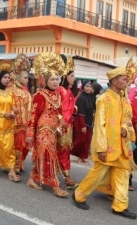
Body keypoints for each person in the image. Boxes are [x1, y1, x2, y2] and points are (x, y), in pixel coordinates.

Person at [72, 62, 137, 220]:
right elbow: (99, 125)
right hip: (107, 146)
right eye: (123, 79)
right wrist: (101, 148)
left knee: (122, 174)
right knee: (97, 174)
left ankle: (120, 206)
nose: (126, 82)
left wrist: (126, 129)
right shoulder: (103, 99)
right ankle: (79, 194)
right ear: (114, 81)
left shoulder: (124, 100)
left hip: (122, 145)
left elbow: (129, 121)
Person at [25, 52, 69, 197]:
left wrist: (62, 125)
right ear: (45, 80)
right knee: (49, 156)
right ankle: (55, 186)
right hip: (42, 131)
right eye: (52, 79)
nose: (55, 82)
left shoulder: (57, 95)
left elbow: (60, 112)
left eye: (57, 79)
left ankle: (32, 179)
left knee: (43, 156)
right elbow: (33, 116)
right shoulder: (39, 95)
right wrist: (30, 134)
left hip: (53, 130)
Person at [56, 55, 78, 189]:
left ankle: (66, 176)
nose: (74, 79)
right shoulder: (61, 90)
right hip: (60, 125)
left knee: (64, 151)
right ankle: (66, 177)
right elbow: (59, 109)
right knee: (60, 151)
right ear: (65, 76)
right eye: (72, 76)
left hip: (67, 125)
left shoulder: (68, 90)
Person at [11, 55, 32, 173]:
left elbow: (29, 109)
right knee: (16, 144)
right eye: (25, 77)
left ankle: (20, 162)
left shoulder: (27, 93)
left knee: (25, 145)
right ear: (18, 77)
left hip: (24, 123)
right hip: (14, 122)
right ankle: (14, 164)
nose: (27, 80)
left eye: (27, 78)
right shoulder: (11, 90)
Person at [71, 81, 95, 164]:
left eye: (90, 87)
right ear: (83, 87)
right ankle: (67, 152)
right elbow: (80, 112)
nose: (88, 88)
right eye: (87, 86)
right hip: (81, 122)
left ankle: (82, 157)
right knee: (80, 140)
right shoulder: (81, 98)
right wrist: (83, 125)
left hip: (89, 122)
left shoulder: (90, 97)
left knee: (87, 141)